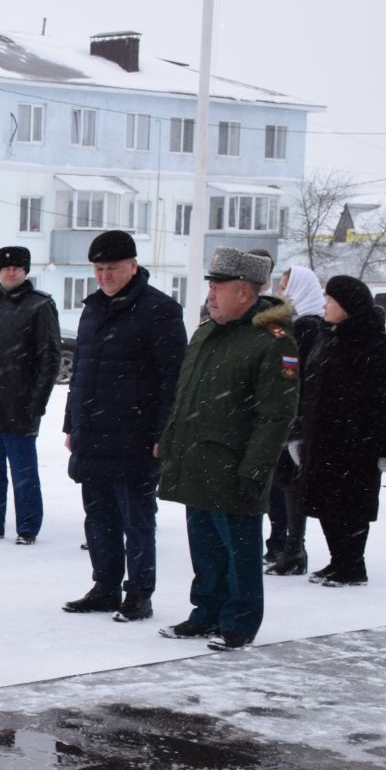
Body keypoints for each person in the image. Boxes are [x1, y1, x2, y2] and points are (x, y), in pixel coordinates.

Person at [156, 247, 298, 651]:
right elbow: (185, 398)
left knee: (240, 550)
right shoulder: (205, 333)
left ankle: (240, 621)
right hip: (197, 458)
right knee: (205, 547)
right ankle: (205, 613)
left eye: (220, 287)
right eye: (211, 286)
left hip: (234, 464)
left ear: (246, 292)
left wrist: (255, 468)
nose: (211, 294)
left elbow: (276, 415)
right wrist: (169, 443)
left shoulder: (272, 342)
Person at [60, 231, 186, 622]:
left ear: (133, 265)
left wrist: (163, 434)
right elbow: (81, 371)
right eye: (98, 269)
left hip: (136, 434)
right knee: (98, 517)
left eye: (112, 268)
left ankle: (139, 594)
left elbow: (173, 378)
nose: (104, 276)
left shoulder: (159, 310)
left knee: (137, 518)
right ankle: (105, 587)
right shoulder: (93, 309)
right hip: (92, 431)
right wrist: (71, 423)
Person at [294, 275, 386, 586]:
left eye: (331, 300)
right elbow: (309, 387)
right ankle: (337, 560)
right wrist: (300, 430)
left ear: (348, 306)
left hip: (359, 440)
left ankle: (353, 565)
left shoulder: (373, 341)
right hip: (324, 436)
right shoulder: (326, 336)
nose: (325, 304)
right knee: (325, 501)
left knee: (351, 505)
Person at [0, 246, 60, 544]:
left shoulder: (40, 306)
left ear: (26, 270)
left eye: (17, 267)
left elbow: (50, 357)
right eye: (5, 267)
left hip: (21, 401)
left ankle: (28, 527)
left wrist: (37, 401)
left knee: (23, 470)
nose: (11, 271)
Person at [263, 266, 326, 576]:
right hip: (290, 413)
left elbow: (296, 372)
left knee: (290, 484)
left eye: (286, 286)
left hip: (297, 417)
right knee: (283, 482)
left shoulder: (308, 326)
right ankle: (286, 546)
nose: (281, 292)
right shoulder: (294, 323)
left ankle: (292, 548)